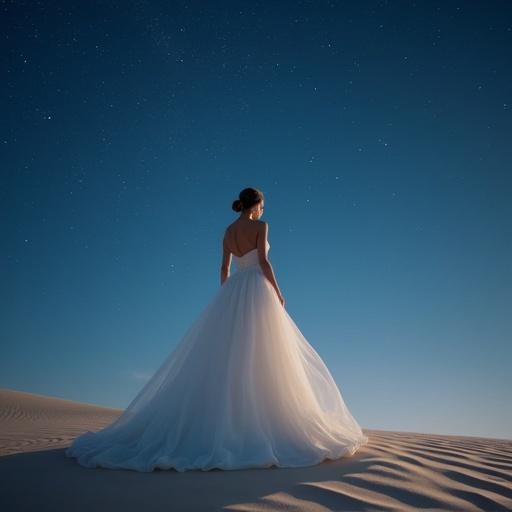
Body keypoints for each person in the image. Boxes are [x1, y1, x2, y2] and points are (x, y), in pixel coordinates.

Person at [65, 187, 368, 472]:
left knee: (231, 355)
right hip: (256, 289)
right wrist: (278, 291)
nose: (263, 211)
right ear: (257, 205)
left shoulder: (227, 232)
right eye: (262, 206)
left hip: (233, 290)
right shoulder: (261, 227)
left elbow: (223, 269)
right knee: (266, 354)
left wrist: (227, 299)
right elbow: (263, 261)